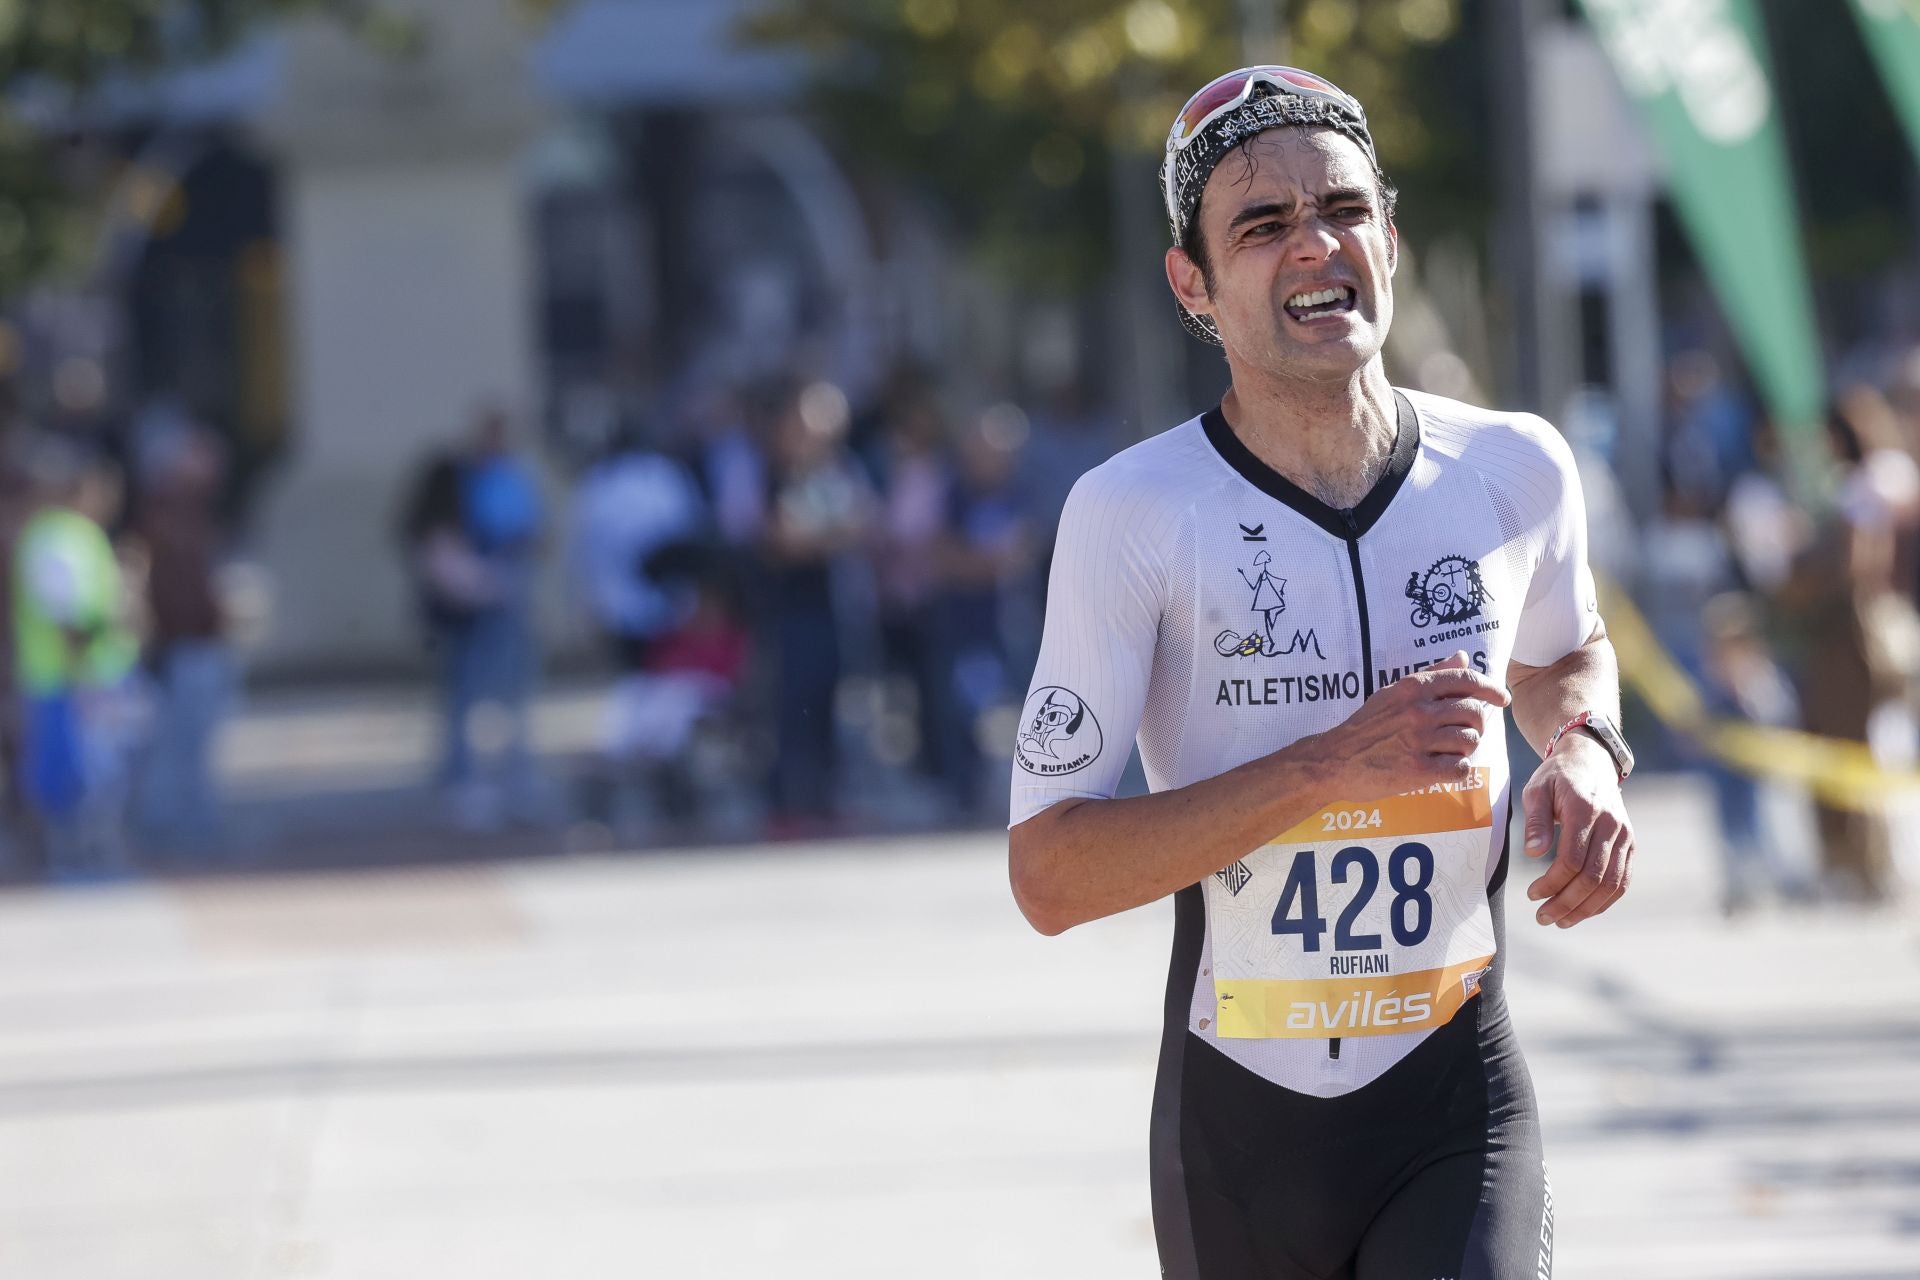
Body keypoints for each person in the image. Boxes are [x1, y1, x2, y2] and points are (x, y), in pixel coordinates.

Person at [1007, 67, 1636, 1279]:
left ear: (1388, 240)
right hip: (1242, 1125)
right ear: (1193, 283)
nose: (1315, 246)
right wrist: (1331, 766)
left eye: (1343, 209)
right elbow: (1049, 873)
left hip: (1457, 1100)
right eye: (1262, 224)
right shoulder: (1132, 514)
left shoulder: (1515, 469)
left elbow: (1569, 653)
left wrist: (1588, 751)